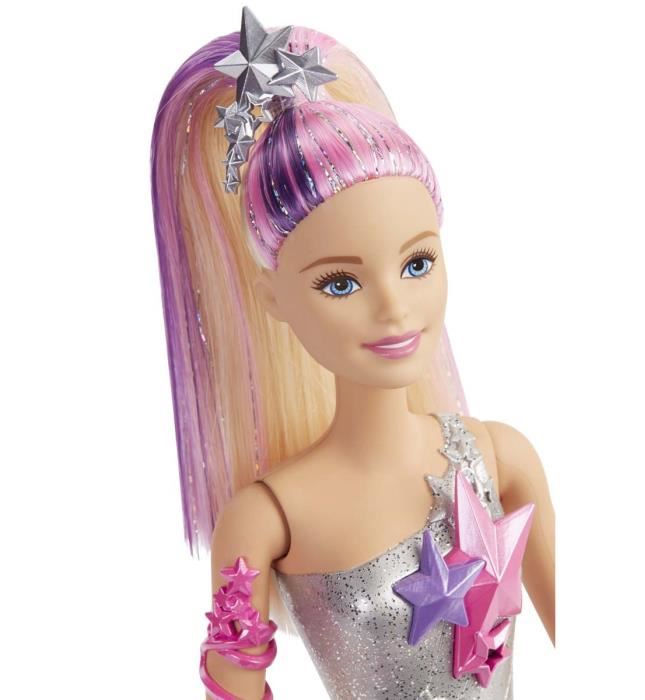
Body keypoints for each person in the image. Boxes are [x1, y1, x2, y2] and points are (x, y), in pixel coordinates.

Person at [149, 6, 555, 699]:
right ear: (274, 300)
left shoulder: (500, 458)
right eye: (340, 283)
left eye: (418, 264)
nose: (393, 308)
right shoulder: (266, 517)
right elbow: (234, 683)